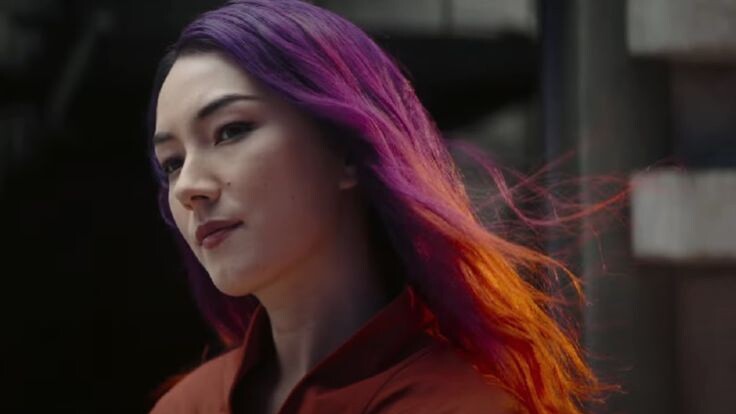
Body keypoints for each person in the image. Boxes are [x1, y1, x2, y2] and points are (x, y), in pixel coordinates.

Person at [147, 1, 610, 413]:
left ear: (347, 149)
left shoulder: (466, 404)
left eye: (230, 131)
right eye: (171, 162)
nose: (188, 187)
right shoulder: (187, 406)